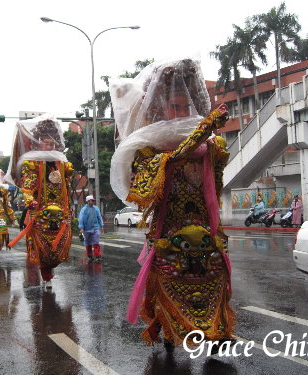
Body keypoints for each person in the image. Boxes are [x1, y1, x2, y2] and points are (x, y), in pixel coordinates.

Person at [110, 59, 234, 352]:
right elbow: (147, 184)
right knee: (171, 278)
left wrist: (205, 136)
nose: (180, 113)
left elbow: (216, 181)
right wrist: (200, 133)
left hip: (206, 229)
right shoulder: (148, 148)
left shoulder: (210, 144)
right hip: (169, 231)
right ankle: (168, 327)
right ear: (161, 109)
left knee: (214, 277)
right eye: (174, 107)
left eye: (185, 107)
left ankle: (216, 331)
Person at [6, 115, 74, 289]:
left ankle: (49, 271)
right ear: (38, 143)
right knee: (43, 251)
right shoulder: (32, 164)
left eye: (52, 144)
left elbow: (67, 187)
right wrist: (31, 202)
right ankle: (46, 274)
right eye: (46, 143)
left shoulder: (63, 165)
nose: (50, 146)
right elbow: (27, 188)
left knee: (58, 251)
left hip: (60, 213)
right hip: (40, 213)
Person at [78, 195, 104, 263]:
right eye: (92, 200)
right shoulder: (84, 209)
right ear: (88, 201)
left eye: (93, 200)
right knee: (88, 243)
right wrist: (81, 227)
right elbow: (80, 219)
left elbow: (99, 217)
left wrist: (101, 225)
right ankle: (90, 256)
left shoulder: (96, 208)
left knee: (96, 242)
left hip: (95, 228)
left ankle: (98, 255)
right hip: (86, 229)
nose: (93, 201)